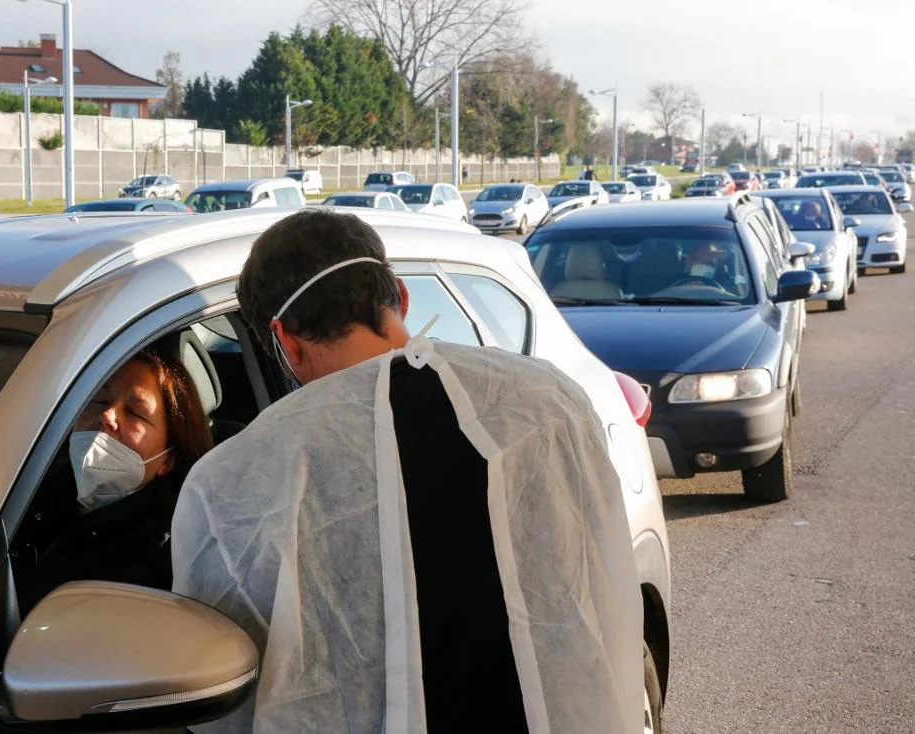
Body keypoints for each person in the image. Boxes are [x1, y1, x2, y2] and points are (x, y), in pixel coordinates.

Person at [172, 209, 642, 733]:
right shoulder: (549, 400)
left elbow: (219, 697)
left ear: (284, 340)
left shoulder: (239, 476)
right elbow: (606, 597)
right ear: (398, 294)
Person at [19, 347, 212, 606]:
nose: (106, 415)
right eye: (98, 400)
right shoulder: (24, 486)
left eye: (134, 413)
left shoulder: (170, 555)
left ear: (169, 459)